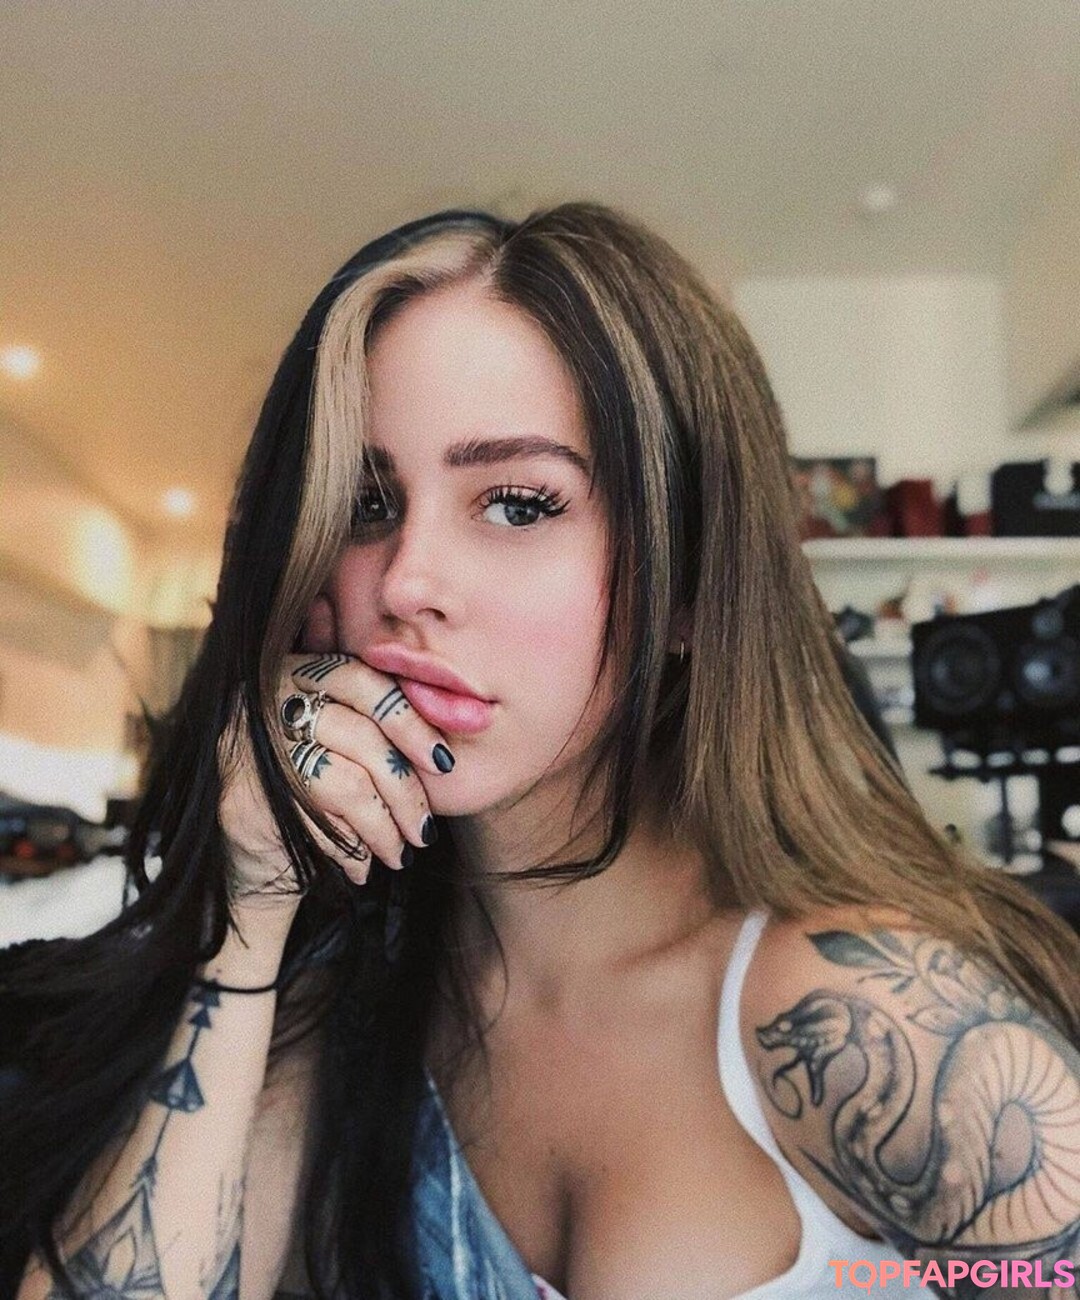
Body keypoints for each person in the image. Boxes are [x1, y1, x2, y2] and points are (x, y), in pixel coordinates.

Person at [2, 203, 1079, 1300]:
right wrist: (251, 903)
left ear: (687, 583)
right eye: (366, 504)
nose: (406, 580)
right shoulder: (354, 990)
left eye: (518, 504)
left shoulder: (864, 1018)